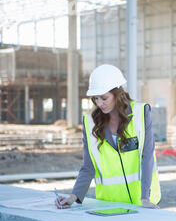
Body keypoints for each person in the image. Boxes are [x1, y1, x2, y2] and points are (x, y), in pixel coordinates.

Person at [55, 64, 161, 209]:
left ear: (118, 94)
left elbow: (147, 156)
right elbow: (88, 166)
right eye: (96, 99)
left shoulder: (140, 113)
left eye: (104, 98)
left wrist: (145, 198)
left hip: (142, 203)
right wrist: (74, 196)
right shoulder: (90, 123)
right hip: (109, 204)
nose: (99, 103)